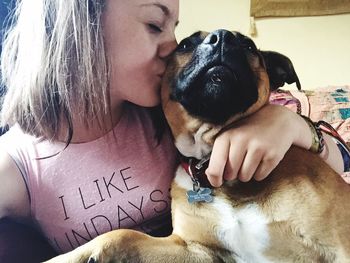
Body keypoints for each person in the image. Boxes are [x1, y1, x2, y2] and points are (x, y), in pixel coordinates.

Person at [0, 0, 346, 261]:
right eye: (155, 25)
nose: (170, 47)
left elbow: (340, 157)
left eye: (174, 32)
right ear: (83, 26)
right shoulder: (19, 162)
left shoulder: (164, 114)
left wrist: (288, 123)